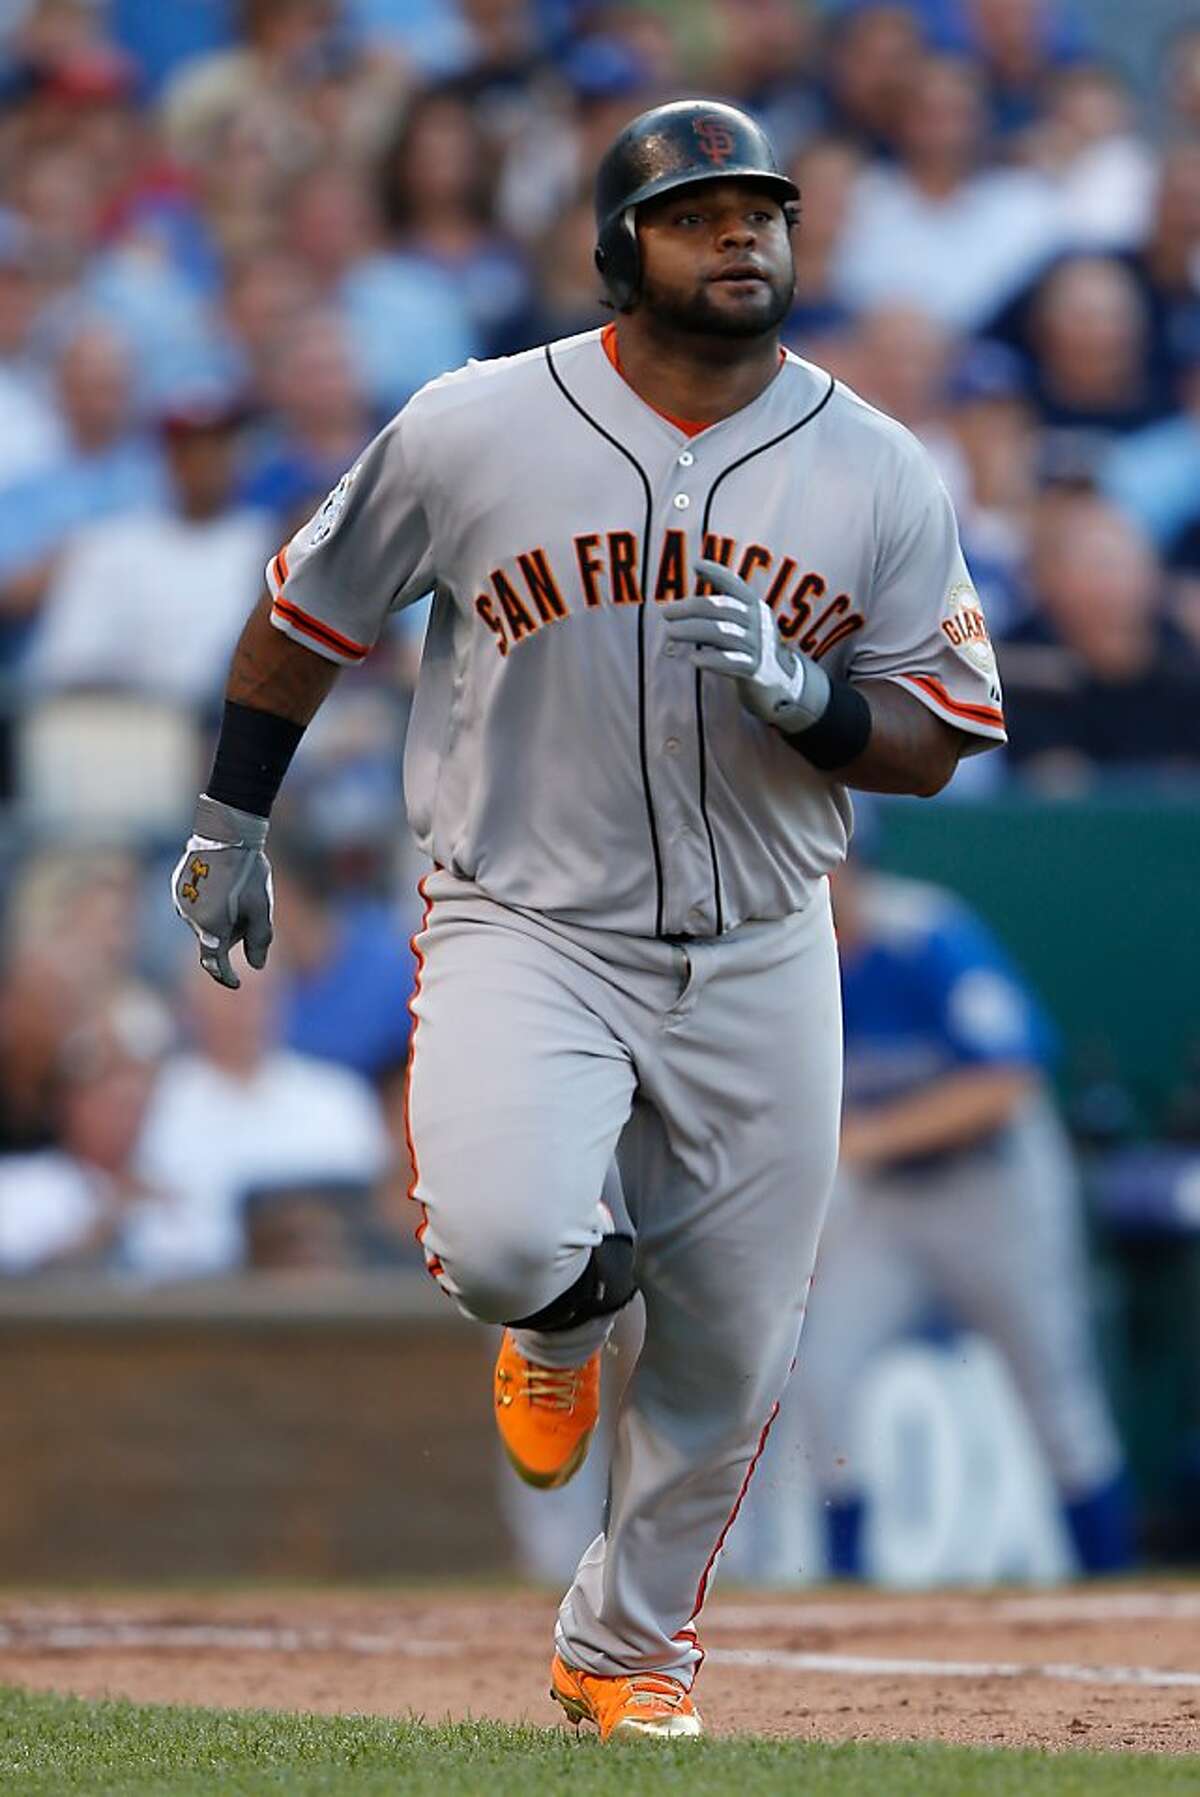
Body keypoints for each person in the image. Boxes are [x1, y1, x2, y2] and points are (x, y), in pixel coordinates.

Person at [170, 99, 1006, 1741]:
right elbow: (302, 613)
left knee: (736, 1343)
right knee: (499, 1238)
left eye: (759, 209)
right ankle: (558, 1316)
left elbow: (946, 732)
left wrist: (812, 699)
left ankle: (622, 1653)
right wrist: (228, 821)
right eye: (699, 215)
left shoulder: (875, 465)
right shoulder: (475, 425)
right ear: (622, 249)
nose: (740, 236)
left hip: (765, 934)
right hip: (524, 916)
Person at [790, 852, 1133, 1576]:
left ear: (855, 863)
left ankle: (1111, 1589)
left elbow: (1006, 1078)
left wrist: (871, 1136)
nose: (815, 881)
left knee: (1058, 1400)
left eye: (827, 864)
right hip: (888, 1203)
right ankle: (841, 1595)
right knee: (822, 1376)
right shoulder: (787, 957)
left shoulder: (924, 931)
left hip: (993, 1187)